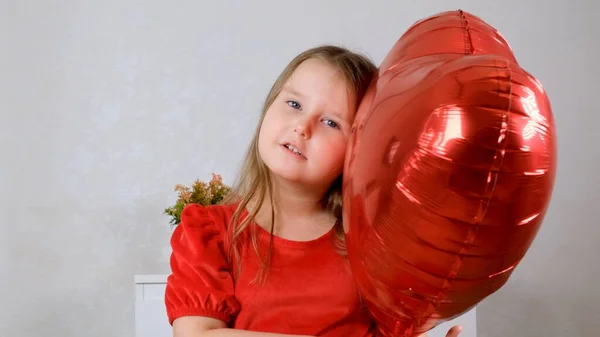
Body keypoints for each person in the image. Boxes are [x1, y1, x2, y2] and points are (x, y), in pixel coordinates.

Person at [164, 45, 462, 337]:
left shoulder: (372, 248)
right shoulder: (209, 232)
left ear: (358, 148)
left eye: (331, 122)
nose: (302, 127)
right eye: (294, 104)